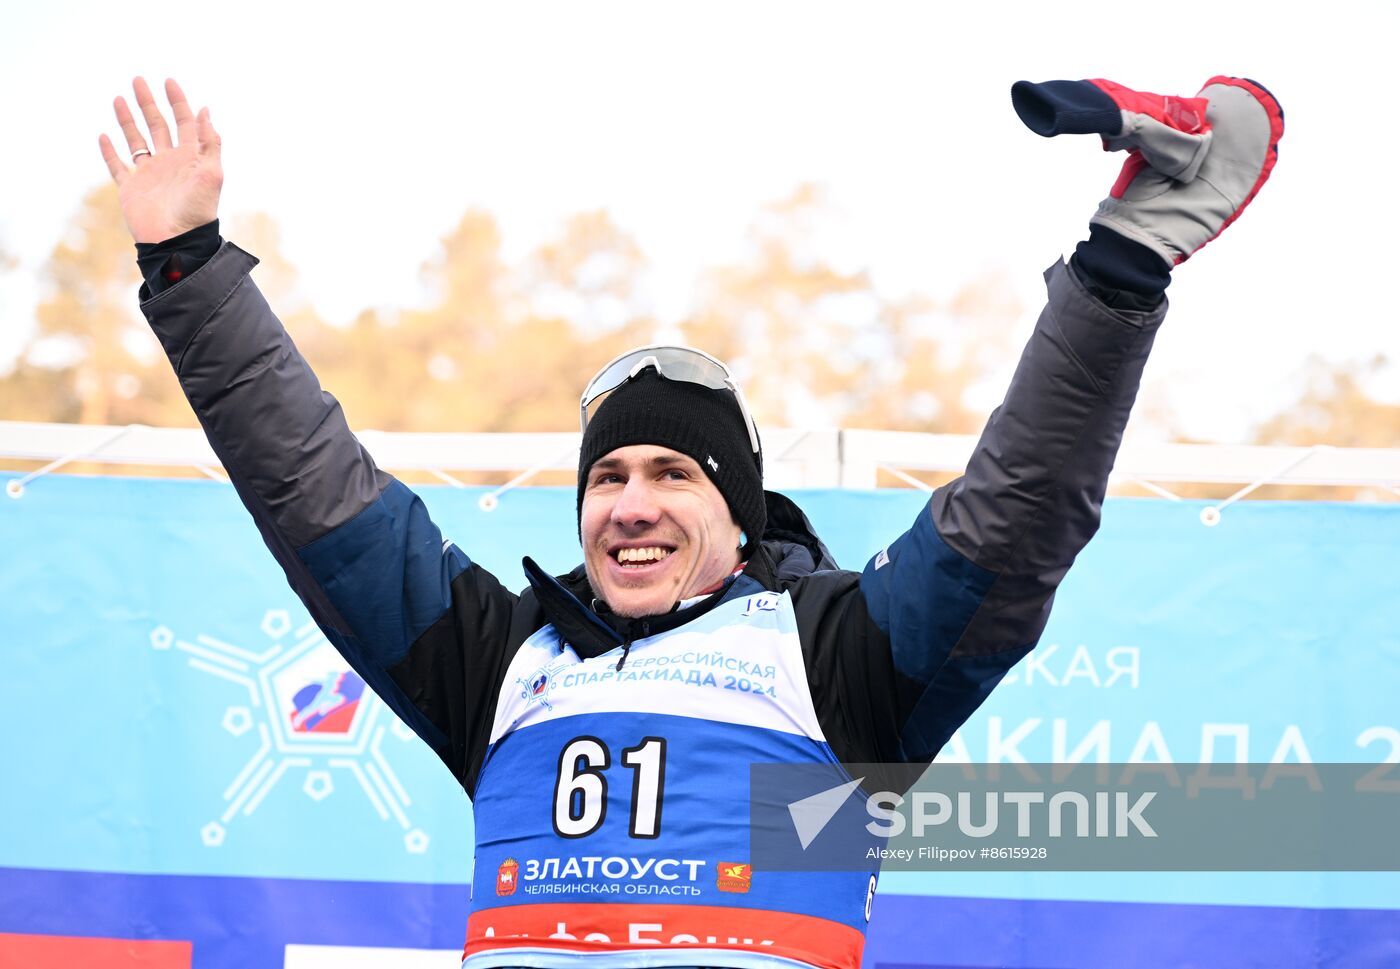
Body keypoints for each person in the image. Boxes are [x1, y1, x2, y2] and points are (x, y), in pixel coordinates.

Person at [100, 74, 1282, 969]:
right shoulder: (501, 661)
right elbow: (317, 494)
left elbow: (1014, 515)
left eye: (673, 474)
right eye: (605, 477)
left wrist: (1119, 272)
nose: (629, 504)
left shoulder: (838, 659)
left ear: (736, 511)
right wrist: (190, 267)